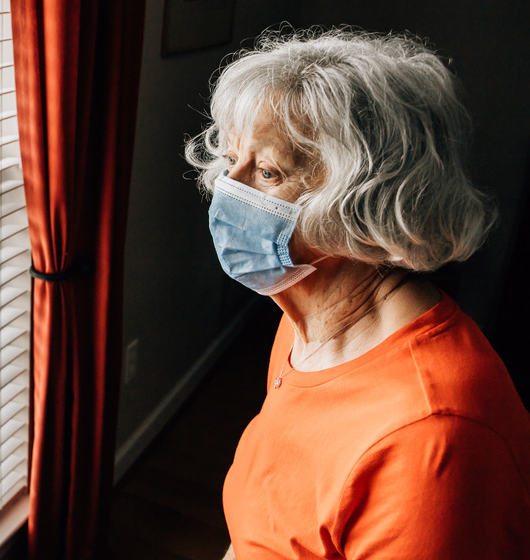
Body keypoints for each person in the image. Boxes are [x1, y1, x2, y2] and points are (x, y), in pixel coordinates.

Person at [186, 28, 530, 559]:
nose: (227, 189)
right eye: (233, 158)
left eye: (268, 171)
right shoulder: (304, 315)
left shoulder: (434, 438)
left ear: (365, 205)